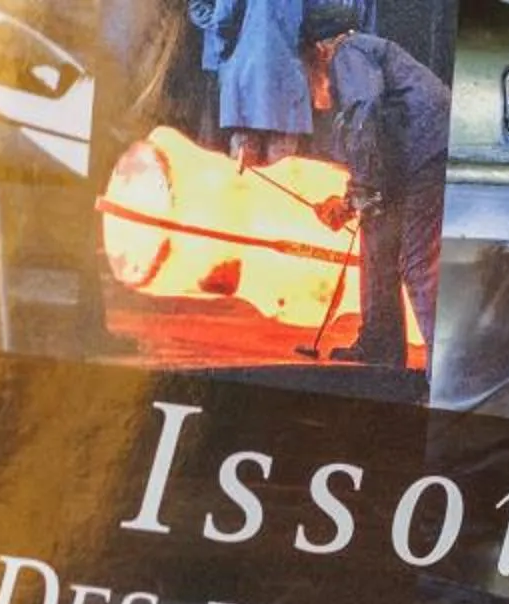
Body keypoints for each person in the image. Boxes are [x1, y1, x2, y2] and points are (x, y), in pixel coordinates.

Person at [301, 2, 452, 367]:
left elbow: (366, 116)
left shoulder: (346, 53)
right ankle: (380, 346)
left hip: (426, 153)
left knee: (415, 263)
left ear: (319, 49)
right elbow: (374, 132)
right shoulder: (363, 50)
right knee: (377, 238)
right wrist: (354, 201)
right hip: (412, 155)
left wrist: (359, 194)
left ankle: (447, 362)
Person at [193, 0, 315, 167]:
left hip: (246, 78)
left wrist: (225, 56)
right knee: (282, 169)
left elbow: (223, 20)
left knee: (246, 170)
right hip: (289, 81)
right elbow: (323, 17)